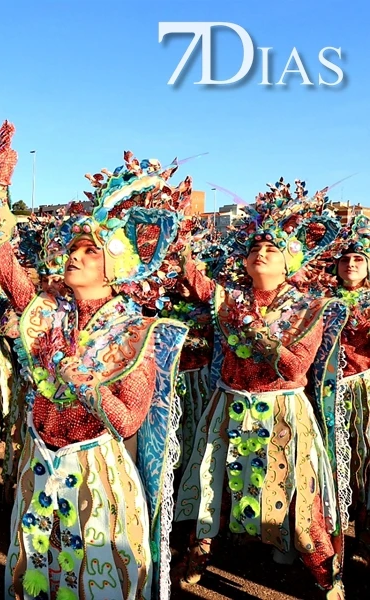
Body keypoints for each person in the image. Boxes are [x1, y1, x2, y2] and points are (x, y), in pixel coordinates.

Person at [0, 122, 188, 600]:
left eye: (88, 252)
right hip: (40, 463)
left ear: (115, 268)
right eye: (73, 249)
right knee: (37, 579)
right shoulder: (47, 309)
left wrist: (90, 388)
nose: (73, 258)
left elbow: (130, 421)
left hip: (95, 473)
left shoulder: (133, 333)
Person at [174, 179, 348, 599]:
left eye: (273, 249)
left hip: (282, 412)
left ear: (290, 263)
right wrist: (178, 236)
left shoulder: (311, 307)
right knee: (210, 480)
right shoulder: (230, 300)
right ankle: (199, 551)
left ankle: (325, 572)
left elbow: (295, 366)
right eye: (255, 248)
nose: (261, 252)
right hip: (229, 403)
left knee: (299, 496)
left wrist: (261, 336)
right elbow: (194, 279)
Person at [326, 214, 370, 555]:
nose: (351, 264)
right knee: (331, 462)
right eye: (345, 259)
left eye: (358, 259)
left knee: (366, 462)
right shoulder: (322, 299)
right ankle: (331, 535)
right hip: (327, 391)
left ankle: (366, 533)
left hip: (365, 390)